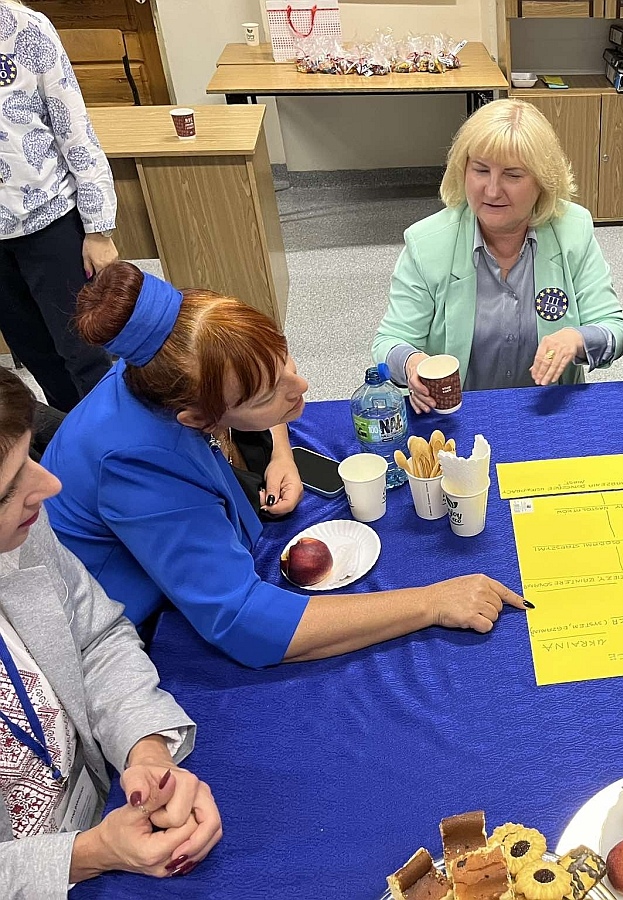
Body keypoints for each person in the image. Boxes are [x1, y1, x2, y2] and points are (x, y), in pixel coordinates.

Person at [41, 262, 526, 669]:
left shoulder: (170, 360)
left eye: (285, 360)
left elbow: (249, 377)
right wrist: (431, 602)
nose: (302, 387)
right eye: (267, 395)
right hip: (123, 626)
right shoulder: (136, 466)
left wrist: (280, 449)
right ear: (198, 418)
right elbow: (242, 621)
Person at [0, 368, 221, 893]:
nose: (49, 486)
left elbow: (93, 636)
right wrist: (85, 856)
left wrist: (146, 751)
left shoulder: (20, 532)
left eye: (30, 458)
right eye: (7, 491)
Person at [372, 98, 623, 406]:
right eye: (481, 170)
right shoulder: (427, 243)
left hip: (548, 409)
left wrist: (575, 339)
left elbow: (614, 329)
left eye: (513, 175)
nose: (492, 190)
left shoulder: (573, 229)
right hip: (461, 414)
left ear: (543, 182)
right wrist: (412, 363)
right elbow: (389, 341)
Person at [0, 0, 116, 412]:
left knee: (84, 351)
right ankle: (73, 438)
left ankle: (115, 438)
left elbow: (74, 127)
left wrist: (98, 228)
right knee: (36, 355)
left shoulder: (25, 26)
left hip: (49, 220)